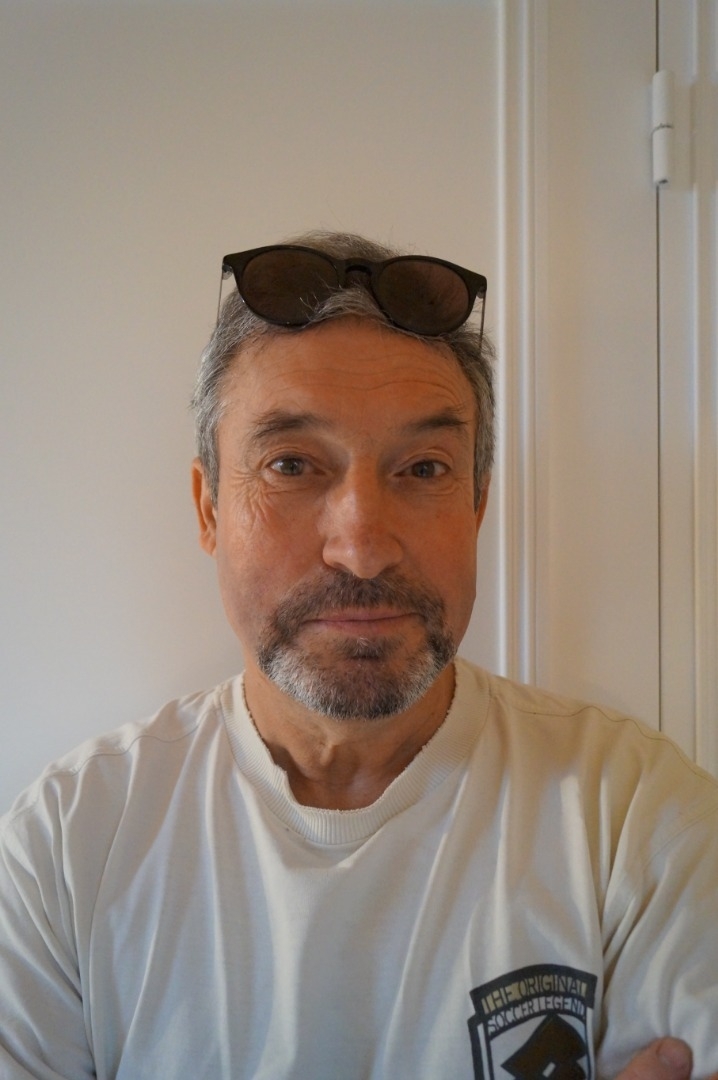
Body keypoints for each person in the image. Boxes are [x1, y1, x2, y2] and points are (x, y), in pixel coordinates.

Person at [0, 232, 716, 1080]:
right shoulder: (67, 847)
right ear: (208, 509)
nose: (363, 548)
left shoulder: (638, 821)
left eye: (424, 468)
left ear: (478, 506)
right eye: (292, 464)